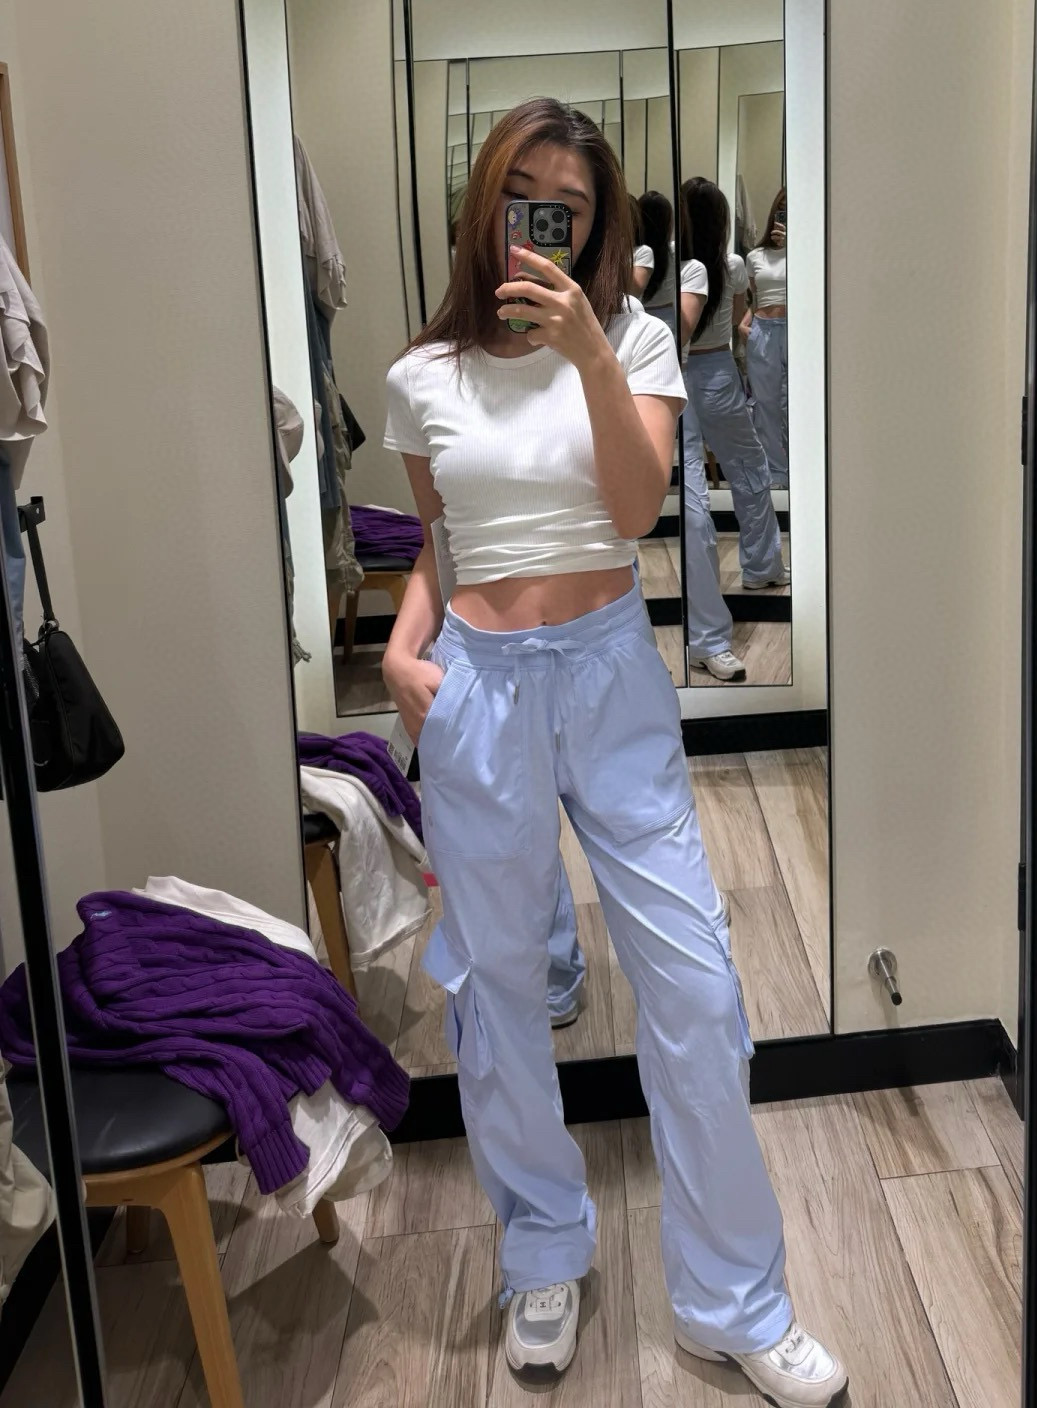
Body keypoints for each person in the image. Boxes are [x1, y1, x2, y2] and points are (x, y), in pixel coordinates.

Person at [381, 100, 845, 1403]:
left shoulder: (635, 339)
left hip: (608, 674)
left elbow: (636, 510)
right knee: (498, 994)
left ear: (594, 224)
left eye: (569, 205)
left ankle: (733, 1300)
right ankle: (543, 1246)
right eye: (522, 191)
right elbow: (445, 542)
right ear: (486, 201)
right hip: (477, 693)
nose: (542, 217)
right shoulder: (423, 374)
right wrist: (405, 650)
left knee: (693, 984)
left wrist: (587, 347)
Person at [678, 179, 788, 683]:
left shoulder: (669, 265)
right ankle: (762, 567)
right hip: (717, 370)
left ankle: (707, 637)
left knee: (693, 496)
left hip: (675, 374)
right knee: (748, 470)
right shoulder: (731, 264)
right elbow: (740, 310)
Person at [743, 185, 789, 490]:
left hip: (798, 331)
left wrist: (796, 246)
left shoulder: (811, 251)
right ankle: (777, 471)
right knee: (766, 405)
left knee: (797, 402)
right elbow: (753, 298)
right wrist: (745, 323)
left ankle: (803, 467)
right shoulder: (755, 256)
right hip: (762, 330)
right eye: (783, 209)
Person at [632, 188, 675, 306]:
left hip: (638, 310)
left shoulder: (634, 253)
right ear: (667, 222)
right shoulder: (674, 251)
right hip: (667, 310)